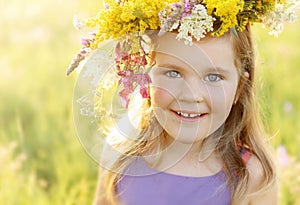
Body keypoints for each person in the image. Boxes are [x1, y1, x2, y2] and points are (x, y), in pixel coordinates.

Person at [67, 0, 298, 204]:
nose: (190, 95)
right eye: (173, 73)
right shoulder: (120, 154)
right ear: (147, 74)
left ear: (240, 87)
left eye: (213, 77)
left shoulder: (251, 176)